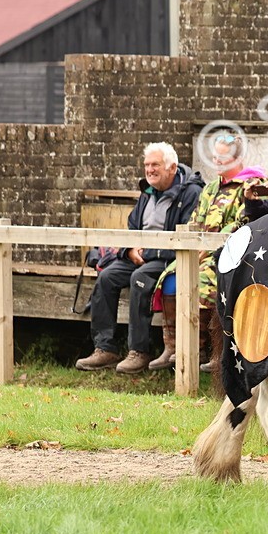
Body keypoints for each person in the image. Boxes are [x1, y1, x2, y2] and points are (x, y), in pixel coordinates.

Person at [145, 134, 267, 375]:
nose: (217, 162)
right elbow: (194, 221)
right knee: (170, 277)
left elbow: (243, 224)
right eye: (214, 157)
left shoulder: (252, 185)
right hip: (196, 252)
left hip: (230, 256)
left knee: (202, 282)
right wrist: (194, 245)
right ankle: (173, 345)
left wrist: (206, 249)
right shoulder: (211, 188)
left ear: (237, 158)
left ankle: (206, 351)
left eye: (223, 157)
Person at [76, 142, 204, 372]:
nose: (149, 170)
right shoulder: (147, 191)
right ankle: (105, 348)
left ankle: (139, 351)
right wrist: (129, 251)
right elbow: (132, 227)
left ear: (172, 167)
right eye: (146, 165)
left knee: (139, 278)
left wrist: (149, 252)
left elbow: (187, 236)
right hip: (139, 254)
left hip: (169, 258)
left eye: (155, 164)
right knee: (107, 278)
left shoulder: (191, 193)